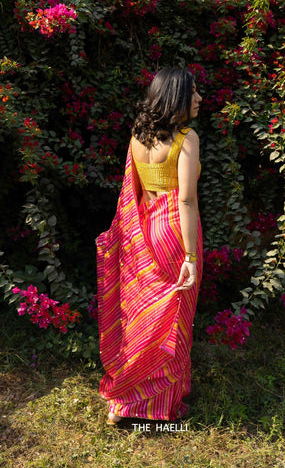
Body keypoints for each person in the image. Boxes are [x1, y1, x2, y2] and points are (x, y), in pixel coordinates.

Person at [96, 67, 203, 424]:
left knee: (144, 317)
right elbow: (186, 201)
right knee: (172, 319)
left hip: (143, 232)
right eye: (193, 94)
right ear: (176, 98)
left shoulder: (136, 138)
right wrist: (189, 256)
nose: (200, 99)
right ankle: (160, 408)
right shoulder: (186, 138)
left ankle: (123, 401)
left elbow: (135, 193)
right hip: (176, 232)